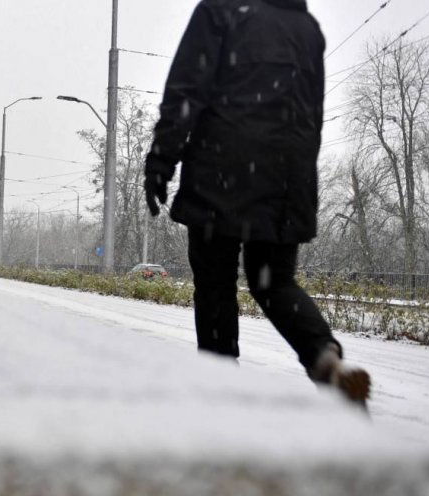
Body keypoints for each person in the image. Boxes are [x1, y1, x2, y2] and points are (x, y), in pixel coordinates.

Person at [144, 0, 371, 406]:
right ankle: (326, 358)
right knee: (275, 283)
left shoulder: (220, 10)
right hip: (288, 177)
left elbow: (186, 91)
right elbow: (311, 116)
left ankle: (221, 394)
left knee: (215, 283)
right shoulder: (307, 28)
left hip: (223, 168)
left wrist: (162, 159)